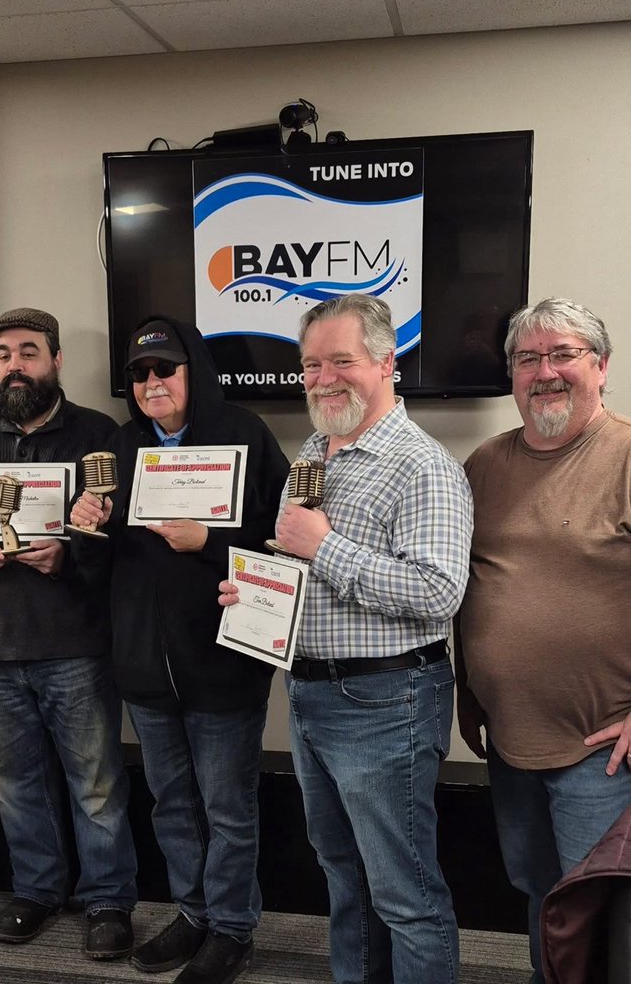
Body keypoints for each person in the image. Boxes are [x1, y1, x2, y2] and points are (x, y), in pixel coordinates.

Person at [219, 294, 473, 984]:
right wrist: (259, 597)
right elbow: (300, 564)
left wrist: (324, 547)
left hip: (387, 699)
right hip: (309, 691)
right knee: (342, 877)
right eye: (309, 364)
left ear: (386, 363)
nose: (323, 377)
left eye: (340, 361)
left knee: (404, 892)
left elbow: (436, 592)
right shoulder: (312, 449)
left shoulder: (423, 465)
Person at [70, 316, 289, 984]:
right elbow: (93, 574)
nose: (151, 382)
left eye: (164, 368)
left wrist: (211, 543)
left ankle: (231, 928)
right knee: (171, 804)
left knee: (226, 807)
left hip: (223, 665)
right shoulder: (118, 446)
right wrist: (86, 529)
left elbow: (288, 543)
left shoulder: (245, 435)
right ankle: (193, 913)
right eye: (138, 374)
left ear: (194, 369)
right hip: (144, 667)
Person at [0, 307, 137, 961]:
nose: (14, 364)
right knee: (11, 779)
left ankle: (108, 900)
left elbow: (123, 533)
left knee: (96, 783)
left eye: (28, 351)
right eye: (2, 354)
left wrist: (69, 551)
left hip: (75, 643)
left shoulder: (98, 433)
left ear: (54, 361)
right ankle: (37, 891)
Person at [455, 297, 631, 984]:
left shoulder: (624, 455)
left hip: (598, 746)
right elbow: (465, 588)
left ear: (600, 366)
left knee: (598, 910)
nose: (545, 371)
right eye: (528, 359)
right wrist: (467, 691)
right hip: (507, 736)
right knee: (541, 895)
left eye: (562, 354)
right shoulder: (483, 464)